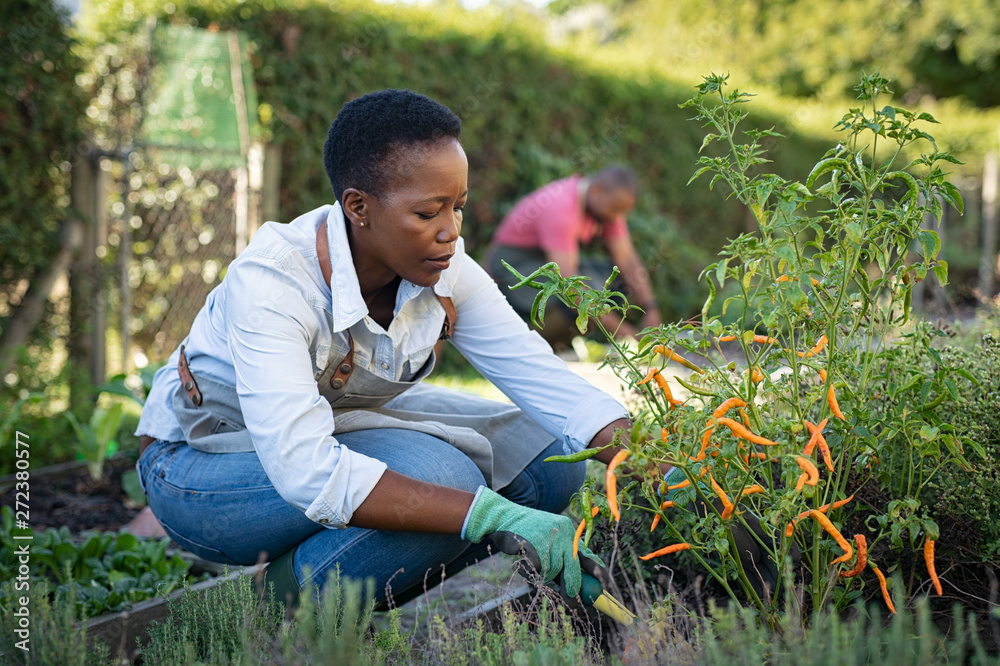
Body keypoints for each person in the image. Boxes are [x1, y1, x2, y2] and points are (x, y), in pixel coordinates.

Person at [133, 89, 636, 610]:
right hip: (200, 467)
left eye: (458, 207)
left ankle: (327, 576)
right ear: (359, 207)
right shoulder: (276, 284)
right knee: (443, 482)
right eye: (427, 213)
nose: (451, 231)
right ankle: (267, 607)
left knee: (550, 459)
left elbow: (543, 380)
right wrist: (489, 516)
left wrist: (664, 466)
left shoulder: (444, 265)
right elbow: (305, 467)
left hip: (337, 426)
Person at [487, 167, 661, 350]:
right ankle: (523, 346)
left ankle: (560, 344)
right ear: (597, 190)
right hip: (511, 268)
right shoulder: (562, 208)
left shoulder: (604, 208)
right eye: (616, 209)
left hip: (543, 262)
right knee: (573, 297)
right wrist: (626, 334)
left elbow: (627, 260)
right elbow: (570, 287)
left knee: (616, 284)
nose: (617, 216)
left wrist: (651, 308)